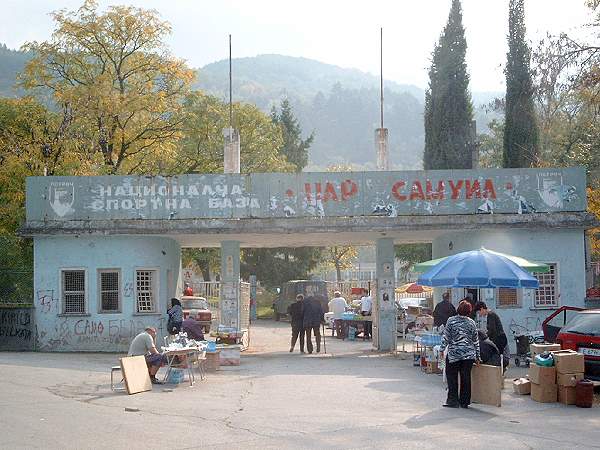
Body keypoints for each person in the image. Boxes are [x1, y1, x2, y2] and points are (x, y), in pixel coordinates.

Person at [440, 300, 481, 409]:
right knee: (466, 377)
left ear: (458, 309)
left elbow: (446, 337)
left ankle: (453, 400)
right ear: (469, 311)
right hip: (468, 355)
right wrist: (478, 356)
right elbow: (475, 341)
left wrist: (441, 349)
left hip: (454, 354)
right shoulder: (472, 322)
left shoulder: (451, 321)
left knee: (452, 377)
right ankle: (465, 401)